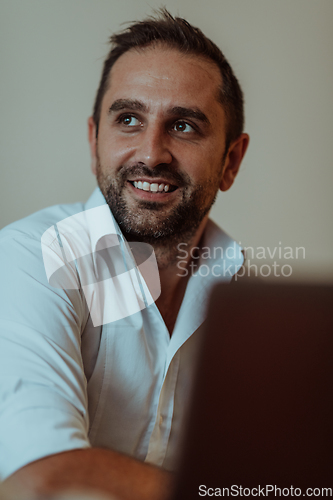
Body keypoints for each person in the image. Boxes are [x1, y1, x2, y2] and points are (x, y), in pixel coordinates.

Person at [0, 9, 249, 500]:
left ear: (230, 161)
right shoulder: (29, 258)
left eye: (184, 126)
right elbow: (44, 478)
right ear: (95, 142)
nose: (152, 152)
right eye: (129, 119)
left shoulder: (253, 307)